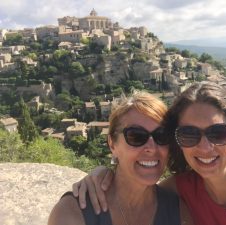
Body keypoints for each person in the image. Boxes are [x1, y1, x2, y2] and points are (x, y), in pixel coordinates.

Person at [73, 82, 226, 225]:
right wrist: (103, 174)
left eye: (218, 133)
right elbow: (135, 186)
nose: (205, 147)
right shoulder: (180, 191)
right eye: (190, 135)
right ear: (177, 142)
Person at [48, 91, 192, 225]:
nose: (151, 148)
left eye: (162, 136)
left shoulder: (178, 212)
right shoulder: (72, 213)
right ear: (112, 144)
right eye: (136, 136)